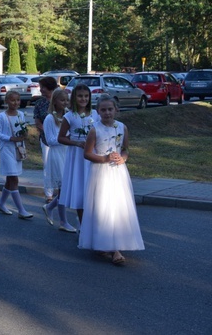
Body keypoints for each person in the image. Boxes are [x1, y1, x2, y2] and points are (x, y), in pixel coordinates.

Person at [79, 95, 144, 265]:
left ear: (116, 109)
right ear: (98, 111)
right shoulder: (95, 130)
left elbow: (125, 149)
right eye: (103, 110)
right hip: (100, 172)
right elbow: (87, 153)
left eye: (110, 109)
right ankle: (106, 245)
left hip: (118, 172)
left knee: (118, 207)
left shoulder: (122, 127)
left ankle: (116, 245)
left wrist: (123, 158)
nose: (107, 112)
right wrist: (105, 159)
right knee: (103, 208)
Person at [57, 84, 99, 227]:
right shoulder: (69, 116)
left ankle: (93, 223)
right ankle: (82, 225)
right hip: (77, 156)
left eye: (86, 96)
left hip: (93, 154)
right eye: (80, 96)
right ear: (74, 97)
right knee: (80, 189)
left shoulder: (95, 114)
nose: (83, 99)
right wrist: (76, 143)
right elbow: (61, 137)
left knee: (93, 189)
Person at [0, 90, 33, 219]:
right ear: (6, 101)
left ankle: (2, 204)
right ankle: (21, 210)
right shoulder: (2, 116)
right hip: (6, 150)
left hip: (18, 150)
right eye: (12, 100)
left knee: (9, 179)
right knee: (14, 178)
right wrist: (10, 138)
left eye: (18, 100)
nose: (15, 103)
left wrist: (24, 135)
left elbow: (22, 130)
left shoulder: (21, 115)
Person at [41, 89, 75, 232]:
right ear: (55, 101)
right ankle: (63, 221)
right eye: (62, 100)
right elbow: (50, 140)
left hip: (66, 153)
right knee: (63, 188)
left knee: (65, 189)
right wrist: (65, 138)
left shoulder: (68, 116)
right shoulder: (49, 119)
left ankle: (49, 207)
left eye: (67, 100)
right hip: (57, 155)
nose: (65, 103)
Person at [34, 76, 59, 202]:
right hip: (46, 139)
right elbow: (37, 121)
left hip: (61, 140)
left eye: (42, 87)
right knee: (48, 166)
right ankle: (49, 194)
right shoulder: (40, 103)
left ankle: (62, 191)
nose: (41, 90)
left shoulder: (60, 100)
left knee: (61, 165)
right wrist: (48, 131)